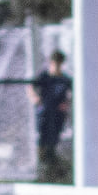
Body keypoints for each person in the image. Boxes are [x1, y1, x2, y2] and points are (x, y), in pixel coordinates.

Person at [29, 50, 72, 182]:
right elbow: (31, 86)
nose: (56, 66)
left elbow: (73, 93)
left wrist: (67, 103)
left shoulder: (65, 79)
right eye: (54, 63)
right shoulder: (44, 76)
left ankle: (51, 169)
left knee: (54, 140)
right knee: (42, 140)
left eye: (59, 64)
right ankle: (41, 169)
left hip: (58, 115)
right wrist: (35, 98)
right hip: (44, 114)